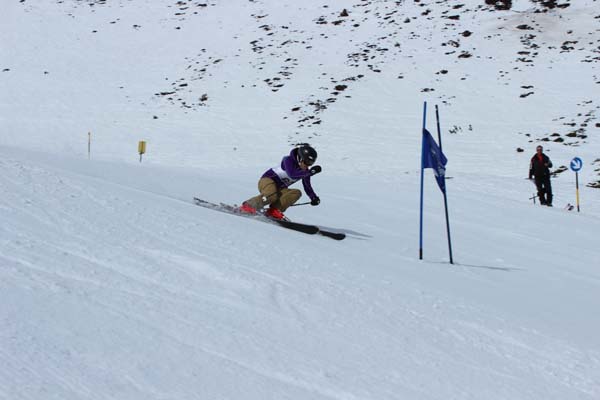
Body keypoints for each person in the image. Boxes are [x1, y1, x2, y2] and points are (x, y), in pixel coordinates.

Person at [239, 144, 321, 220]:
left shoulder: (305, 171)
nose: (307, 165)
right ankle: (249, 205)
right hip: (267, 180)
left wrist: (313, 198)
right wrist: (310, 172)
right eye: (306, 162)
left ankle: (273, 211)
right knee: (272, 194)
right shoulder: (288, 160)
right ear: (300, 158)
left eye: (310, 163)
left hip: (279, 188)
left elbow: (307, 186)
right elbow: (292, 174)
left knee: (296, 193)